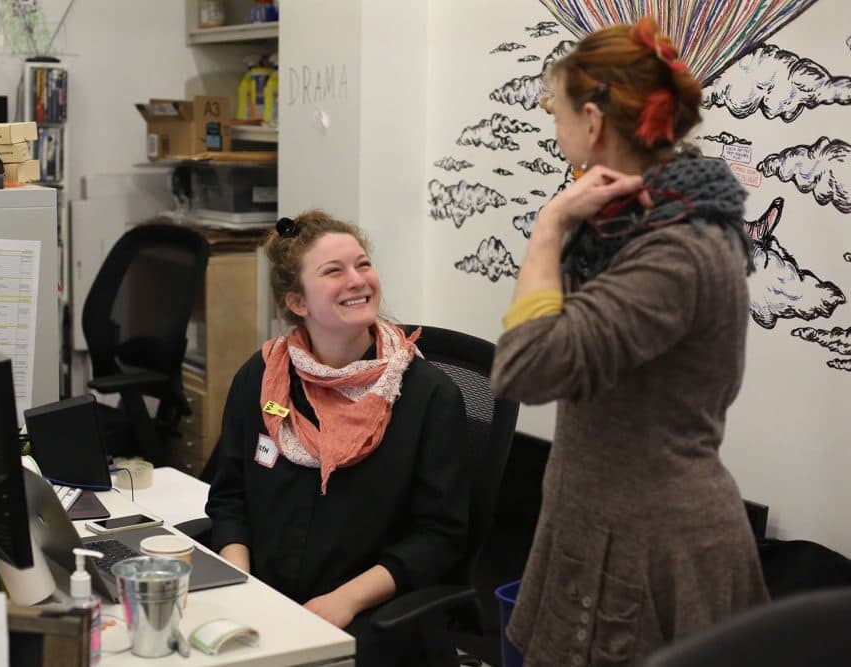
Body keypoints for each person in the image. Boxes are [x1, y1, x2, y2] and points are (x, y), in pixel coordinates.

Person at [489, 17, 769, 666]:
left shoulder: (677, 249)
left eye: (556, 116)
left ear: (592, 124)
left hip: (657, 554)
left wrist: (548, 225)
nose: (557, 136)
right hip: (592, 524)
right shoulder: (631, 227)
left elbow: (525, 367)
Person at [206, 210, 471, 665]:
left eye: (363, 264)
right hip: (268, 602)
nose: (358, 280)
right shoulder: (263, 377)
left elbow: (439, 536)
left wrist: (344, 601)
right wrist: (240, 585)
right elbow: (230, 494)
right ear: (298, 303)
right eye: (334, 271)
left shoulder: (427, 395)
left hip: (372, 615)